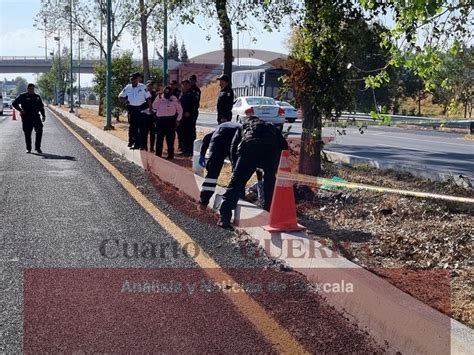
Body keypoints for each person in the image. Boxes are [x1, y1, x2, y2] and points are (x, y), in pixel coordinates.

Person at [218, 116, 288, 229]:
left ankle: (224, 218)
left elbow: (233, 148)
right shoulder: (269, 126)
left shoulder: (244, 127)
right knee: (270, 183)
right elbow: (284, 145)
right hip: (270, 151)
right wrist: (277, 164)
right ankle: (268, 213)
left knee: (235, 183)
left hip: (250, 149)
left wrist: (235, 168)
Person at [198, 121, 241, 208]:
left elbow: (206, 138)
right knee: (238, 170)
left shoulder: (219, 128)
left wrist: (202, 155)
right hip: (235, 138)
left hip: (219, 138)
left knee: (212, 171)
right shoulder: (241, 128)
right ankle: (237, 195)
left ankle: (204, 202)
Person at [118, 73, 152, 150]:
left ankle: (139, 144)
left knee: (140, 127)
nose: (132, 81)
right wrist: (125, 100)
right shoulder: (128, 87)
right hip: (131, 109)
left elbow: (148, 98)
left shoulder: (143, 87)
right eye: (131, 79)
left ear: (137, 79)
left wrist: (150, 108)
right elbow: (120, 96)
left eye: (134, 79)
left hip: (140, 109)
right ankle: (132, 141)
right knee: (132, 127)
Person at [12, 83, 46, 154]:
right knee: (27, 133)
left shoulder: (37, 97)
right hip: (26, 117)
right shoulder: (23, 96)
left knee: (39, 131)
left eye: (33, 89)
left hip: (36, 117)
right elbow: (14, 103)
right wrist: (21, 110)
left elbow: (41, 107)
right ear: (27, 89)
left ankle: (38, 147)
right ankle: (28, 148)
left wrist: (43, 115)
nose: (31, 90)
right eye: (30, 89)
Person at [152, 86, 183, 160]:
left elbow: (180, 110)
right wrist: (159, 98)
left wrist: (178, 120)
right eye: (165, 93)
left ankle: (170, 155)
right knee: (159, 138)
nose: (166, 95)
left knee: (170, 138)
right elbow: (154, 107)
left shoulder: (174, 98)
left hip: (170, 120)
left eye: (168, 94)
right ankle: (158, 154)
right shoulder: (159, 97)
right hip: (160, 120)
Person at [178, 79, 199, 156]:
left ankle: (190, 150)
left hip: (190, 116)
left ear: (189, 85)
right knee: (183, 132)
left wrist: (189, 112)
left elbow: (196, 105)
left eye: (186, 84)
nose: (185, 86)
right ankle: (185, 148)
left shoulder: (193, 93)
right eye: (183, 84)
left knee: (190, 133)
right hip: (182, 116)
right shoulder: (181, 93)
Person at [143, 80, 158, 152]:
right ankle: (145, 146)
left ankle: (152, 147)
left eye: (151, 85)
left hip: (153, 115)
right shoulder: (143, 93)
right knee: (144, 132)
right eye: (149, 85)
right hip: (145, 115)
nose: (150, 86)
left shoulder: (155, 94)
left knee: (152, 132)